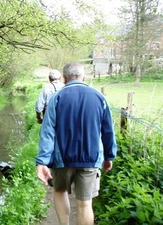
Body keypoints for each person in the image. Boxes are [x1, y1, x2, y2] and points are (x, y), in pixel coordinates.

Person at [35, 62, 117, 225]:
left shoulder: (57, 98)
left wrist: (42, 161)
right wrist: (109, 156)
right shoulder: (99, 97)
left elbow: (48, 131)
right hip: (91, 158)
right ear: (84, 77)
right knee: (85, 203)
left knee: (59, 191)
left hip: (62, 158)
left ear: (64, 79)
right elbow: (108, 130)